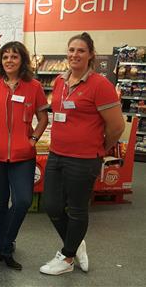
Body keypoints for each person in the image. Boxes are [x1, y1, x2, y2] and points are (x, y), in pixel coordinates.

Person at [40, 33, 124, 275]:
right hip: (57, 154)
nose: (74, 54)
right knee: (52, 205)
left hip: (84, 158)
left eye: (80, 51)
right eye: (71, 50)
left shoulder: (100, 85)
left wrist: (100, 149)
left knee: (77, 209)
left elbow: (116, 126)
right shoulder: (59, 81)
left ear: (90, 55)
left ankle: (67, 258)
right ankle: (75, 243)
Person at [0, 41, 49, 270]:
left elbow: (43, 118)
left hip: (23, 157)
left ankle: (3, 245)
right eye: (6, 56)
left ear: (22, 61)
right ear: (1, 60)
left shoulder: (34, 86)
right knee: (0, 203)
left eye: (14, 57)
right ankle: (4, 248)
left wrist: (33, 140)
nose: (9, 60)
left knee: (22, 201)